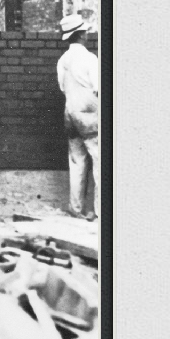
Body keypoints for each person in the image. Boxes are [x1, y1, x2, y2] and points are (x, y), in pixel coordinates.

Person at [57, 13, 100, 220]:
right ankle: (100, 211)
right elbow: (99, 89)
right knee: (100, 162)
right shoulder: (90, 58)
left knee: (77, 161)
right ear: (81, 34)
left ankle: (76, 208)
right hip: (90, 113)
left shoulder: (62, 60)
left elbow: (62, 88)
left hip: (70, 112)